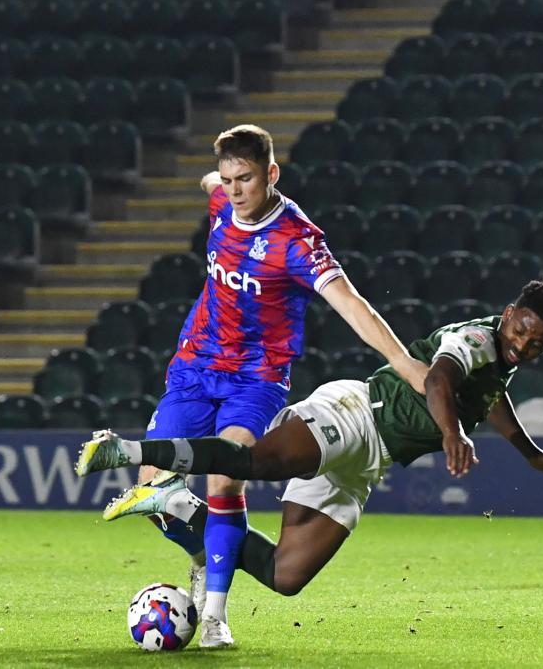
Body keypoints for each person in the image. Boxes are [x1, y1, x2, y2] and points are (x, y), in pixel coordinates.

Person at [77, 279, 543, 604]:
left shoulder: (500, 363)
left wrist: (531, 453)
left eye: (537, 344)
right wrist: (452, 434)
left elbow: (490, 397)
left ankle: (179, 507)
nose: (523, 345)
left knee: (285, 576)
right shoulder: (475, 340)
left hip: (368, 464)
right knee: (258, 462)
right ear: (508, 312)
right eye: (521, 331)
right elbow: (438, 380)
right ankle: (130, 453)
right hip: (358, 414)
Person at [135, 124, 427, 646]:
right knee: (152, 488)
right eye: (227, 180)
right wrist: (215, 182)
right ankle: (204, 557)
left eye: (245, 179)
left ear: (271, 174)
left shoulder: (297, 241)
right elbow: (209, 183)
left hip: (256, 378)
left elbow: (352, 305)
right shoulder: (222, 199)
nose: (235, 191)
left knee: (224, 476)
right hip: (195, 366)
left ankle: (217, 617)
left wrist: (406, 364)